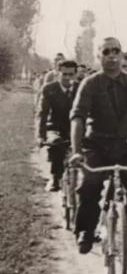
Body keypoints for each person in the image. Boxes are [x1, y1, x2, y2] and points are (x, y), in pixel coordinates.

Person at [69, 37, 127, 266]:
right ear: (99, 56)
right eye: (107, 52)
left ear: (122, 55)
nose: (112, 56)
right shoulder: (90, 84)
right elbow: (78, 117)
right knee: (90, 186)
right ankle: (86, 232)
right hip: (97, 145)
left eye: (116, 51)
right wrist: (77, 151)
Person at [35, 60, 79, 191]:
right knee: (56, 144)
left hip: (76, 127)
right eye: (64, 74)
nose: (67, 78)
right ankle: (55, 178)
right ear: (58, 73)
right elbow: (42, 114)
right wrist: (41, 136)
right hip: (55, 128)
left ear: (76, 74)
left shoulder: (81, 88)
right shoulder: (49, 89)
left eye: (71, 74)